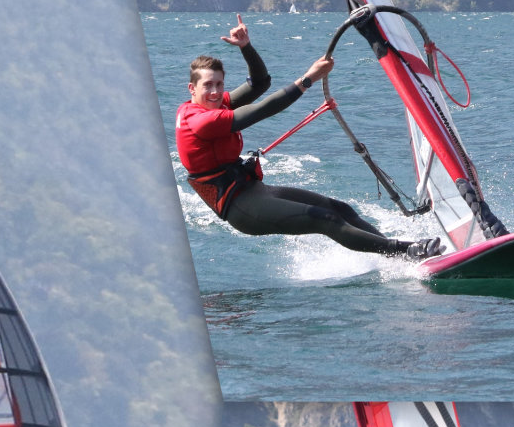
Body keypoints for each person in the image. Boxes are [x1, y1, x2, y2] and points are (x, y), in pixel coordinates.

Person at [177, 16, 438, 258]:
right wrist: (308, 79)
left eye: (219, 84)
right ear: (192, 88)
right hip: (240, 207)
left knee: (340, 209)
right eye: (207, 85)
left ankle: (398, 253)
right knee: (326, 220)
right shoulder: (200, 120)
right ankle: (407, 251)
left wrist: (246, 47)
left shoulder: (212, 104)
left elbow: (260, 83)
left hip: (253, 190)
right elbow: (262, 109)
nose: (215, 91)